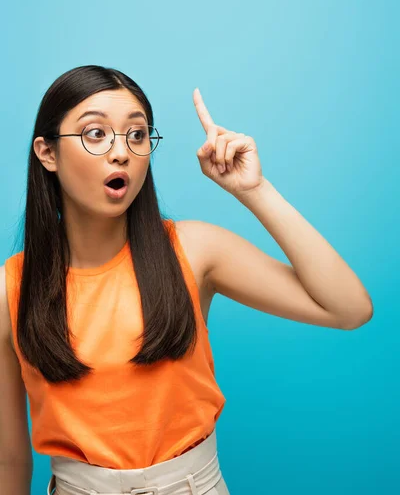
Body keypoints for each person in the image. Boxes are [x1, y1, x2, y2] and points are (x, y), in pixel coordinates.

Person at [0, 64, 373, 495]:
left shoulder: (195, 251)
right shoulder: (12, 289)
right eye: (96, 134)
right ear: (47, 153)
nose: (121, 152)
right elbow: (9, 458)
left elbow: (349, 308)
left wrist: (254, 190)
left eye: (137, 135)